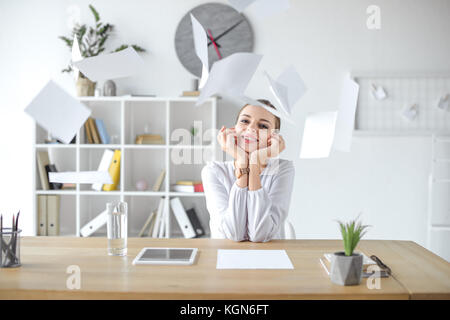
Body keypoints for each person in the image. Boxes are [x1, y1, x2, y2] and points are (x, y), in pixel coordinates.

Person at [201, 99, 295, 242]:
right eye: (245, 121)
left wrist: (255, 162)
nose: (251, 128)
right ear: (234, 130)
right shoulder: (213, 171)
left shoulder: (283, 170)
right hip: (224, 257)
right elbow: (233, 234)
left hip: (270, 258)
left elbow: (260, 234)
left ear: (273, 138)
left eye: (263, 125)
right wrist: (242, 161)